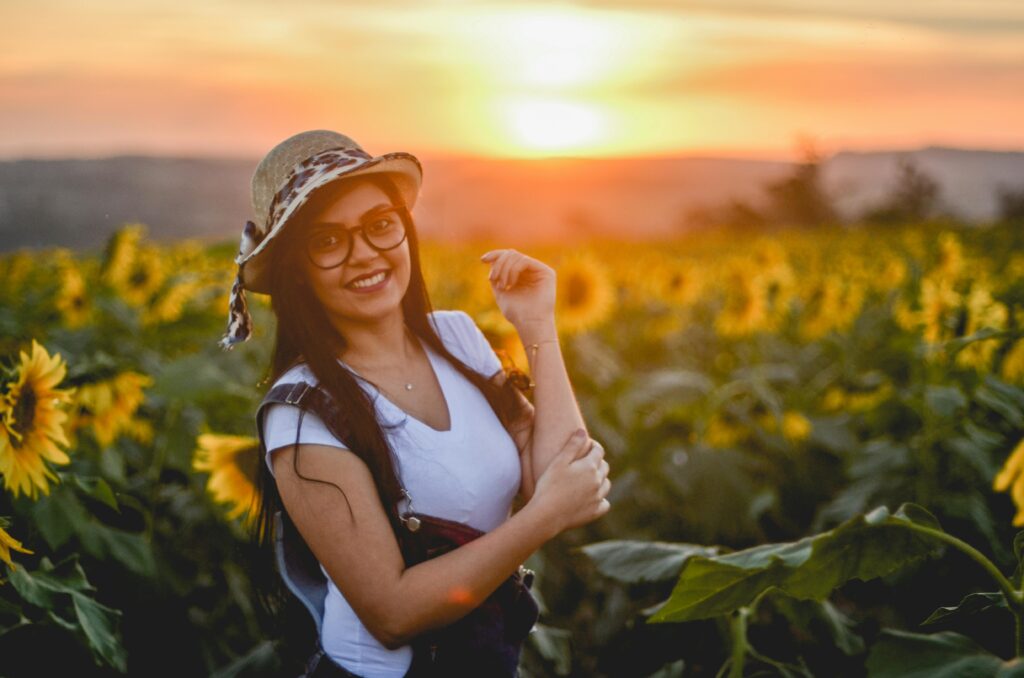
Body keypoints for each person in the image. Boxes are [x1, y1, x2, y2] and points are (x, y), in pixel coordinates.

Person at [221, 130, 611, 677]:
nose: (364, 254)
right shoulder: (304, 413)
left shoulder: (456, 338)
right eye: (327, 241)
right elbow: (392, 613)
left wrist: (538, 325)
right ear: (296, 270)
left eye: (381, 225)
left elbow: (565, 472)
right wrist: (543, 518)